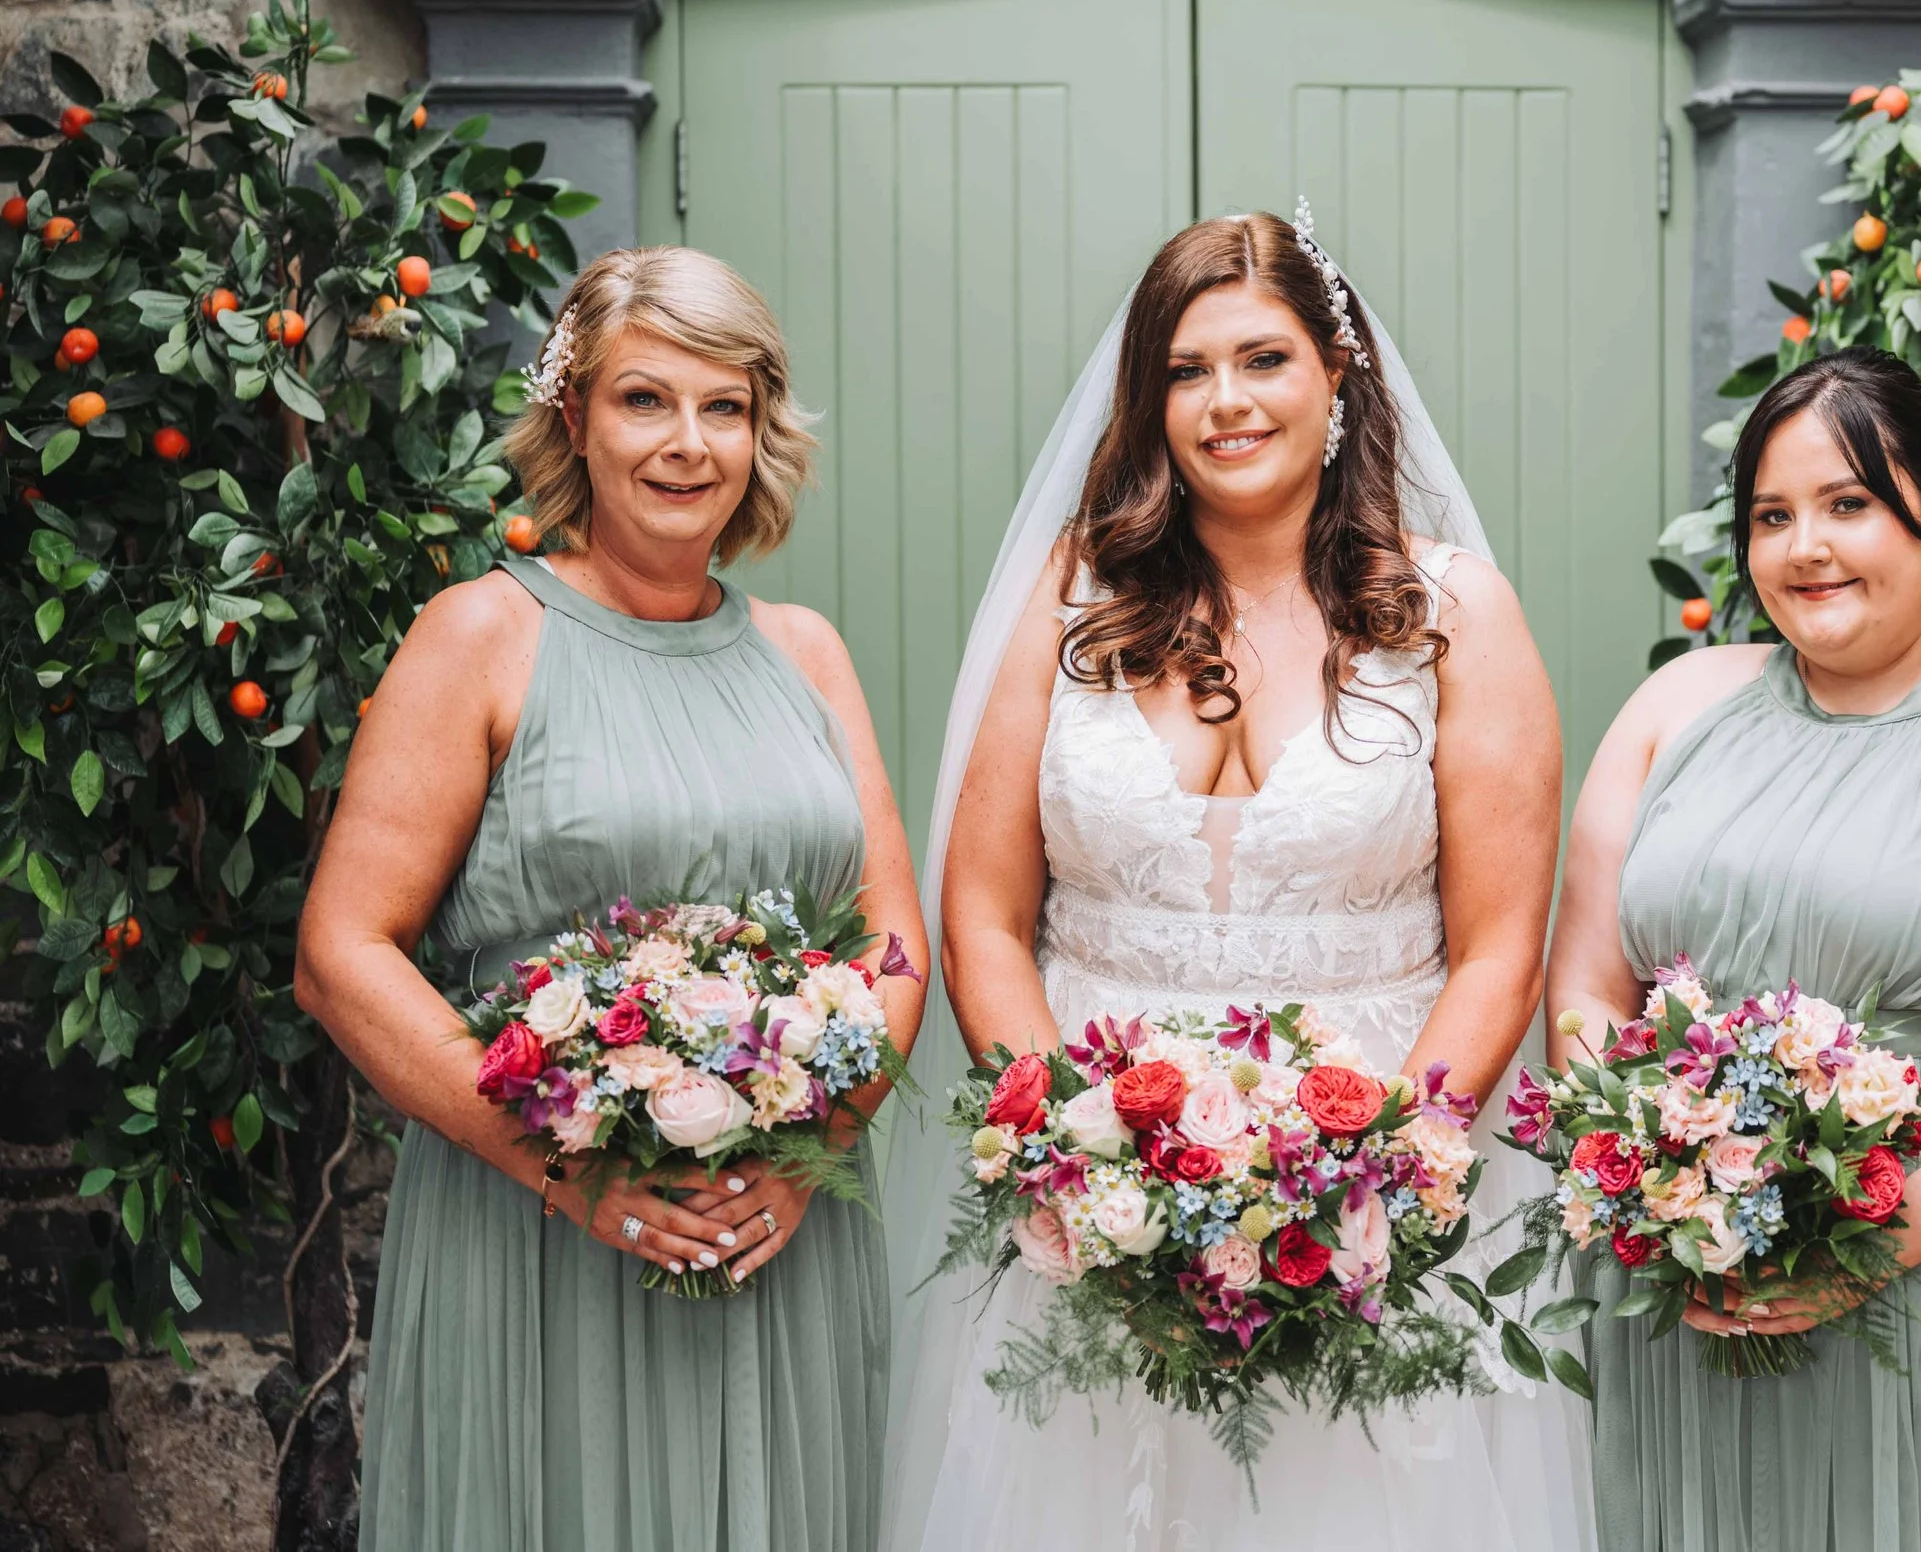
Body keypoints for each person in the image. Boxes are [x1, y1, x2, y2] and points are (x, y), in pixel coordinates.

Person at [879, 207, 1597, 1551]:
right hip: (1099, 1192)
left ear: (1338, 374)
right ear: (1150, 401)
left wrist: (1379, 1170)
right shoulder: (1069, 601)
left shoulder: (1457, 616)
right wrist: (1068, 1153)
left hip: (1374, 1200)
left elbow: (1500, 943)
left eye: (1263, 359)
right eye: (1186, 369)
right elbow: (982, 911)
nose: (1226, 401)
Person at [296, 245, 926, 1552]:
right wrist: (562, 1166)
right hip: (540, 1242)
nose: (688, 443)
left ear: (762, 431)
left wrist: (808, 1158)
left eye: (726, 406)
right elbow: (341, 953)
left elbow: (894, 944)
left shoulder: (807, 653)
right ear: (573, 416)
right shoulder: (477, 633)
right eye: (647, 399)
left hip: (776, 1241)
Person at [1545, 345, 1921, 1552]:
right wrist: (1646, 1171)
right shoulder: (1676, 706)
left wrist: (1879, 1243)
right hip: (1697, 1281)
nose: (1804, 547)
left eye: (1848, 504)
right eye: (1771, 515)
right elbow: (1584, 986)